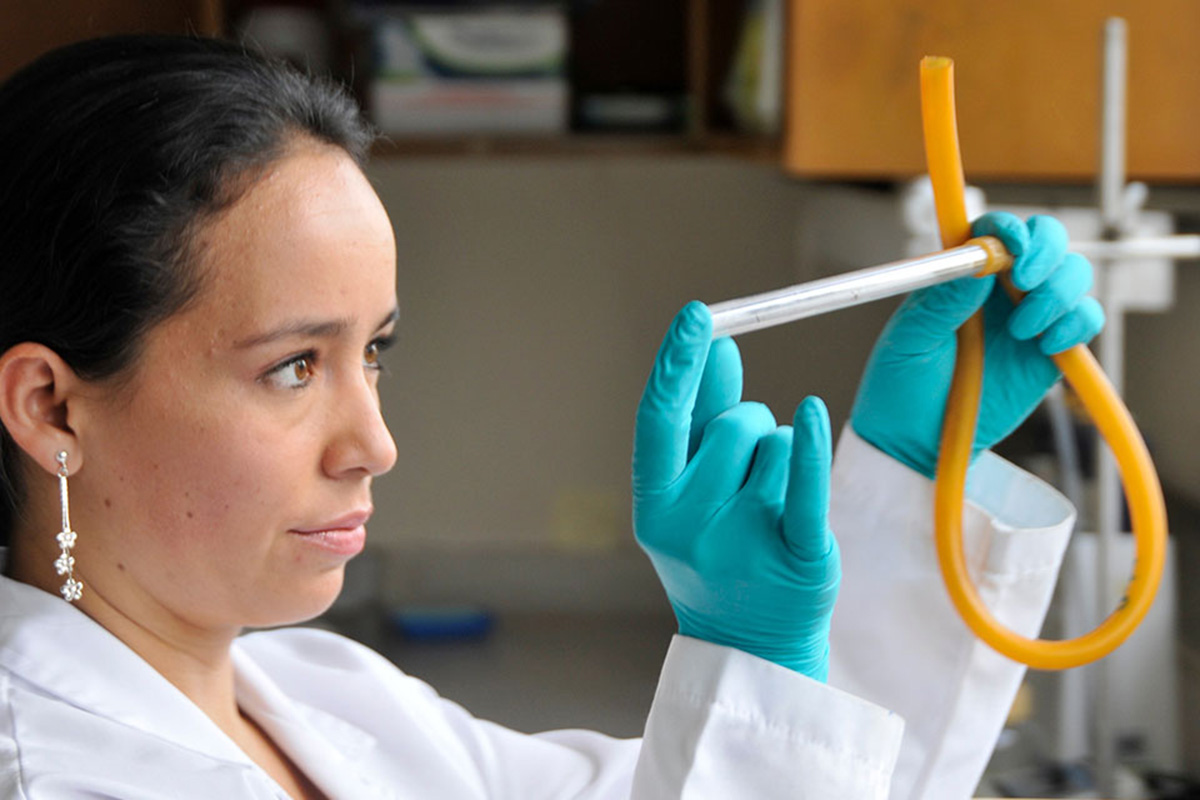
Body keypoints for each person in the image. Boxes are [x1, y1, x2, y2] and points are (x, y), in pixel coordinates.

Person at [0, 35, 1103, 800]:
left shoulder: (325, 697)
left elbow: (737, 779)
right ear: (52, 405)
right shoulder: (52, 770)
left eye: (372, 351)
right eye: (293, 365)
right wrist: (745, 653)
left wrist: (910, 473)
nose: (375, 444)